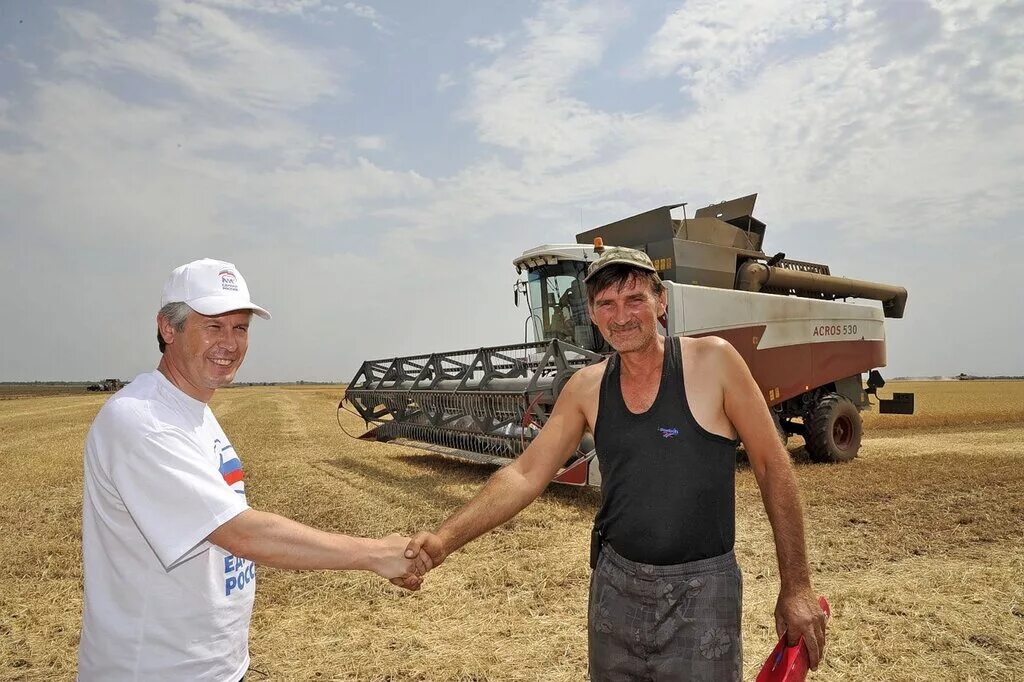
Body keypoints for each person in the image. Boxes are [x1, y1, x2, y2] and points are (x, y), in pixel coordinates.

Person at [404, 247, 828, 680]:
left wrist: (796, 585)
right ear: (591, 313)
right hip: (616, 588)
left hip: (702, 594)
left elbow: (771, 465)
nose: (621, 316)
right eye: (606, 303)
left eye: (634, 299)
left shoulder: (714, 362)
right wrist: (442, 541)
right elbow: (525, 474)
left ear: (661, 301)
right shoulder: (586, 387)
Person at [77, 258, 427, 682]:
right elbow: (240, 533)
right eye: (214, 326)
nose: (230, 343)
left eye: (240, 328)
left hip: (213, 666)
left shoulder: (192, 410)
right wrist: (375, 555)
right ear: (168, 329)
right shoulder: (143, 422)